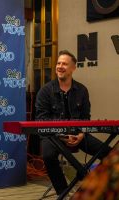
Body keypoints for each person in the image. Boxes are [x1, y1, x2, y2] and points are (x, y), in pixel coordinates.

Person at [35, 50, 111, 196]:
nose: (60, 66)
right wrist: (63, 135)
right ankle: (63, 193)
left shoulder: (82, 90)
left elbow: (85, 118)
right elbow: (41, 120)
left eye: (64, 63)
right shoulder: (45, 91)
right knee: (48, 156)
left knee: (110, 153)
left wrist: (82, 134)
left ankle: (98, 188)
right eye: (58, 63)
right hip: (52, 136)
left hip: (78, 134)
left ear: (73, 68)